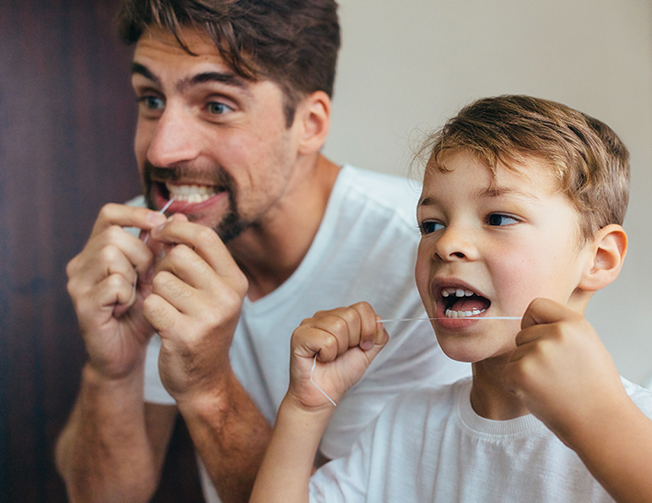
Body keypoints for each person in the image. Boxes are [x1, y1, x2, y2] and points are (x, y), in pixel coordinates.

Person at [250, 95, 652, 503]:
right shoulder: (406, 428)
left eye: (498, 218)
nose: (446, 243)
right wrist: (305, 408)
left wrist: (598, 419)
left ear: (600, 259)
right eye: (430, 224)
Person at [54, 1, 468, 502]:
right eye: (151, 99)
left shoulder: (427, 260)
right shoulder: (146, 238)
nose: (162, 151)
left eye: (217, 105)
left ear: (309, 124)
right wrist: (111, 371)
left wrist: (208, 389)